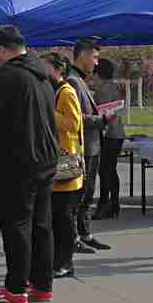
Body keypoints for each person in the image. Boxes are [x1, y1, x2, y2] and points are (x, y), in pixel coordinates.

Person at [0, 25, 60, 303]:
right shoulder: (43, 75)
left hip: (16, 161)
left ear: (2, 50)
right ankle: (42, 284)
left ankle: (15, 288)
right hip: (45, 158)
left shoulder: (8, 76)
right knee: (41, 224)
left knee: (16, 225)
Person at [66, 40, 110, 253]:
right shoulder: (72, 81)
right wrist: (102, 119)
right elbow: (77, 118)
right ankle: (74, 237)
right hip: (83, 147)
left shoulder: (80, 80)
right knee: (79, 195)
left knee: (88, 193)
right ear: (82, 55)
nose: (96, 62)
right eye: (94, 57)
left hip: (92, 145)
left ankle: (85, 233)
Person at [48, 52, 87, 279]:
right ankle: (57, 260)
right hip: (56, 162)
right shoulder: (54, 92)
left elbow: (73, 124)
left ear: (57, 69)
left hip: (68, 163)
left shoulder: (67, 92)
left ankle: (65, 262)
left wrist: (49, 112)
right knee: (56, 217)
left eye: (46, 66)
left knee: (64, 217)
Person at [92, 56, 126, 219]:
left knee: (105, 171)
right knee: (110, 170)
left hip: (109, 134)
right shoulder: (113, 86)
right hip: (117, 133)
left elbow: (106, 114)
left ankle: (106, 205)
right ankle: (113, 204)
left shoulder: (103, 89)